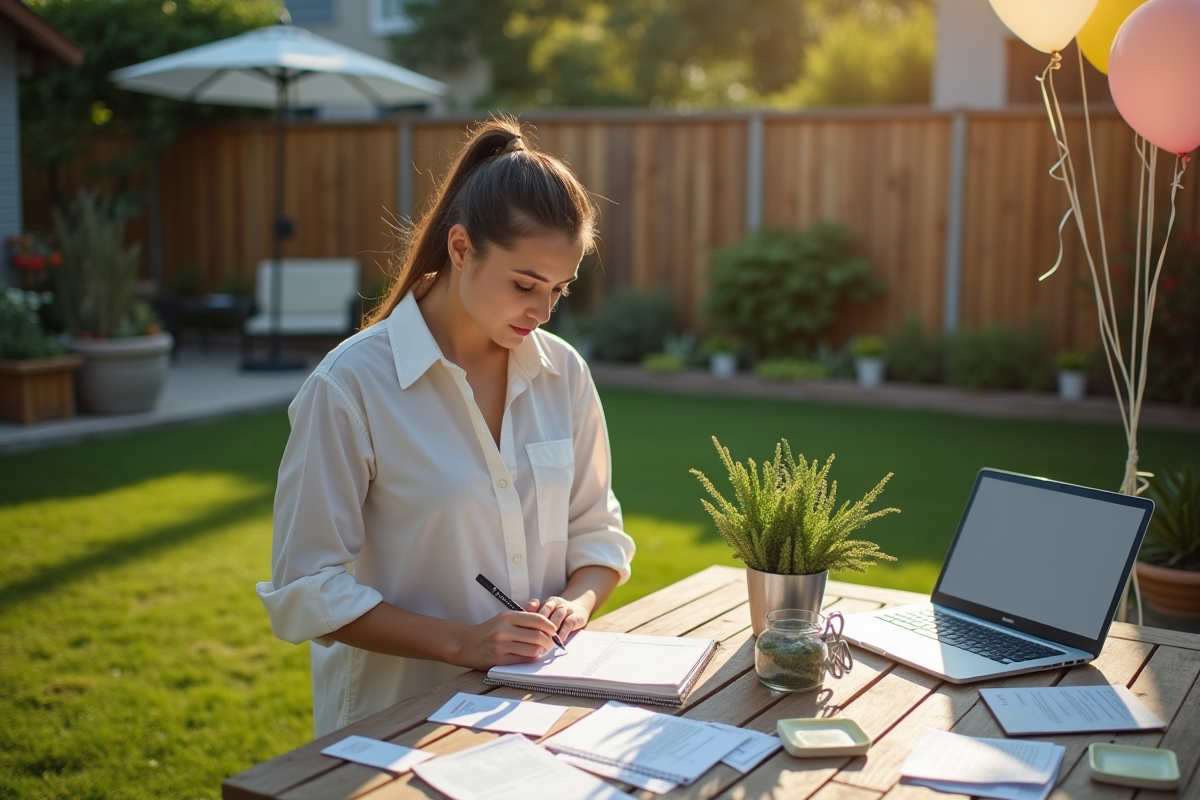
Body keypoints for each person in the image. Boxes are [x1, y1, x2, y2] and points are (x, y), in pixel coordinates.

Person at [256, 118, 635, 738]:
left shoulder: (563, 373)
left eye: (559, 290)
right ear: (461, 249)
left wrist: (575, 604)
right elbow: (306, 586)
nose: (542, 312)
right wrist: (463, 644)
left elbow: (598, 535)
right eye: (524, 285)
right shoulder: (350, 386)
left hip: (534, 717)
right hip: (391, 731)